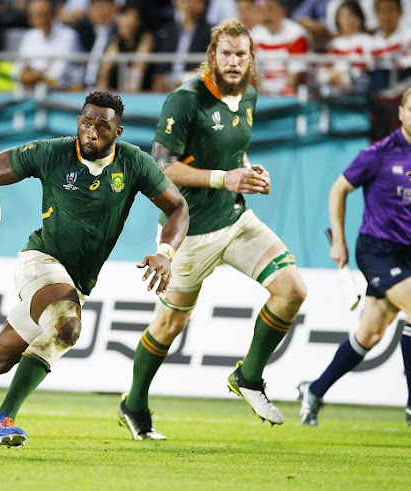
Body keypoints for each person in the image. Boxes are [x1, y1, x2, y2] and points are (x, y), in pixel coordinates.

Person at [0, 91, 190, 450]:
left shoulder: (134, 163)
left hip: (77, 281)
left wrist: (166, 252)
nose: (91, 132)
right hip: (40, 261)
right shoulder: (53, 153)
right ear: (79, 122)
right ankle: (1, 420)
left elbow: (178, 207)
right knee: (67, 327)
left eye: (102, 127)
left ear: (117, 132)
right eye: (86, 123)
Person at [118, 19, 307, 441]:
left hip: (235, 219)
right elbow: (162, 167)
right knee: (169, 326)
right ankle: (133, 404)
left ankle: (250, 376)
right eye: (227, 54)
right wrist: (225, 178)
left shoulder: (251, 95)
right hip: (190, 230)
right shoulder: (186, 100)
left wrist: (249, 172)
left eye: (242, 54)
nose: (235, 61)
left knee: (292, 289)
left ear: (251, 58)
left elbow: (234, 153)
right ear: (213, 56)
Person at [297, 86, 411, 427]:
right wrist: (339, 241)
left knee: (371, 333)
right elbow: (339, 189)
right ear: (402, 113)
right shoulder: (379, 153)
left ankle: (314, 390)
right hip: (378, 249)